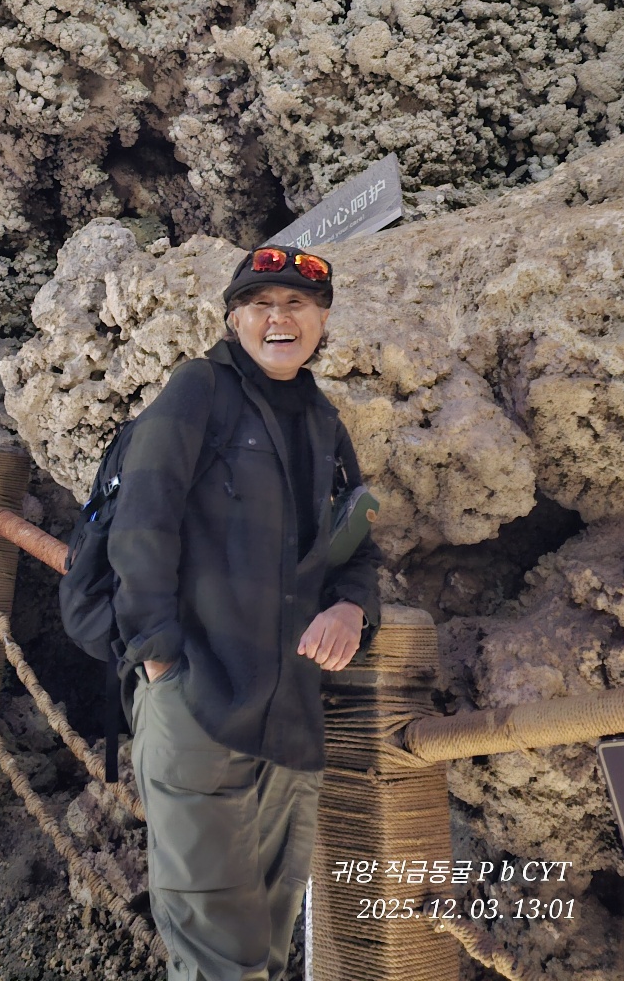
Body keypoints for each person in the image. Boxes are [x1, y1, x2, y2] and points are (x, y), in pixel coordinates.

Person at [107, 245, 381, 981]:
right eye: (260, 304)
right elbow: (141, 522)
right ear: (233, 320)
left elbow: (356, 544)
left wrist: (351, 607)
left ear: (322, 319)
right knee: (213, 943)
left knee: (268, 937)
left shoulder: (324, 421)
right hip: (198, 698)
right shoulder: (198, 390)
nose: (278, 317)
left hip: (289, 714)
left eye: (296, 304)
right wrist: (160, 657)